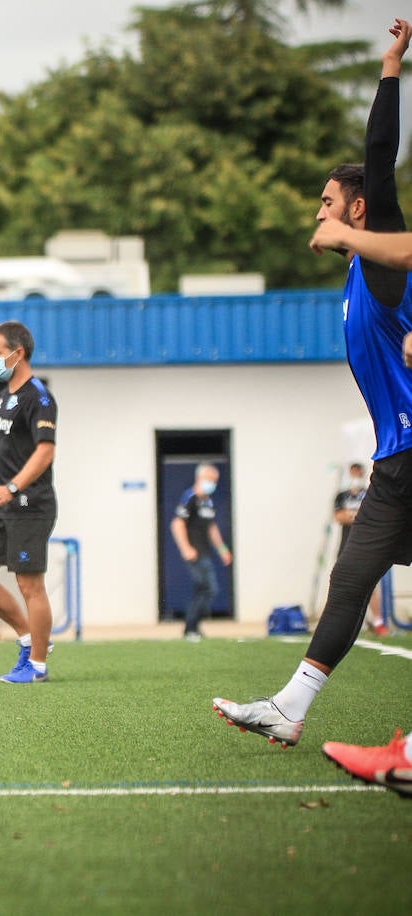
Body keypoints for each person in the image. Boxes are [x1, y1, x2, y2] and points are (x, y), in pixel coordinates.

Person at [214, 19, 411, 749]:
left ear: (359, 209)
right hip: (397, 461)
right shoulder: (363, 275)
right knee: (352, 577)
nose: (318, 215)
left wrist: (389, 68)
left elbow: (380, 161)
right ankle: (290, 708)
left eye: (327, 203)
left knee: (355, 576)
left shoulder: (379, 260)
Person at [0, 320, 57, 684]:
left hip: (30, 505)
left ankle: (37, 666)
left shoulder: (39, 397)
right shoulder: (3, 397)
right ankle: (31, 639)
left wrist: (13, 487)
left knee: (30, 586)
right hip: (1, 505)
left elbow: (45, 452)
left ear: (18, 354)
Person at [170, 463, 232, 642]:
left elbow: (211, 528)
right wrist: (186, 548)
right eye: (210, 480)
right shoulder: (190, 497)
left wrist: (222, 550)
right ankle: (191, 627)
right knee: (208, 588)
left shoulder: (208, 502)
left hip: (205, 553)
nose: (212, 484)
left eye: (215, 481)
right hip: (194, 554)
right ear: (200, 478)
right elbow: (177, 524)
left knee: (203, 590)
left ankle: (192, 628)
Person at [332, 462, 388, 636]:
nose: (355, 475)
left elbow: (374, 515)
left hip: (367, 544)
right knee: (342, 583)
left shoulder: (370, 494)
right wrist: (358, 515)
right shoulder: (341, 495)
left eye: (358, 472)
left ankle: (378, 622)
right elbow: (339, 517)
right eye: (353, 472)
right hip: (346, 544)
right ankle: (343, 624)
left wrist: (352, 515)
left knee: (369, 584)